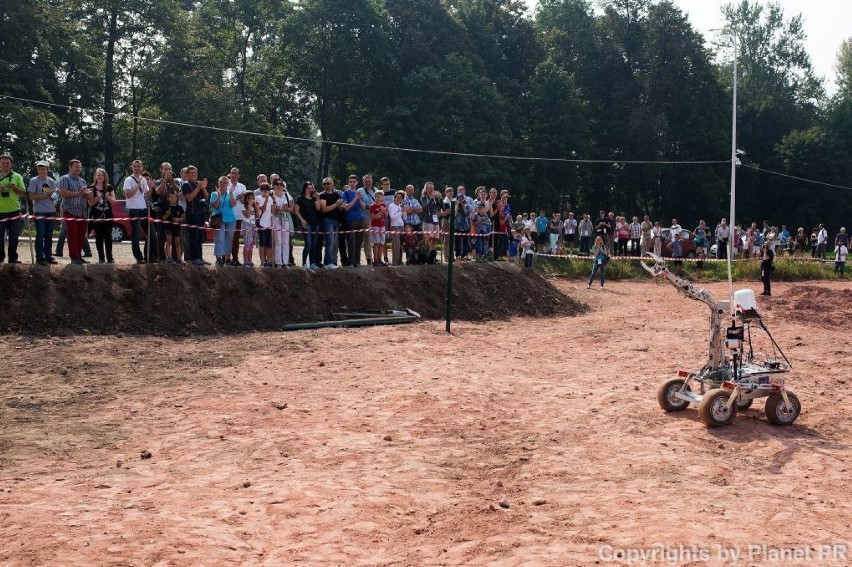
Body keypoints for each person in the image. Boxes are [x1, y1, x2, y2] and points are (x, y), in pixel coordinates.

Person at [58, 159, 92, 265]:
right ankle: (74, 257)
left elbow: (85, 197)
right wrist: (79, 193)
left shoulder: (82, 181)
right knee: (72, 235)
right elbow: (63, 193)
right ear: (70, 167)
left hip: (82, 212)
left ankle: (79, 256)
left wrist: (87, 194)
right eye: (76, 167)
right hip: (70, 211)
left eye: (79, 167)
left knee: (81, 236)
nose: (78, 169)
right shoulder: (64, 178)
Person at [27, 160, 58, 265]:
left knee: (49, 235)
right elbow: (31, 196)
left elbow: (55, 196)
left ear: (47, 170)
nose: (41, 171)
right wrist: (44, 196)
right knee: (40, 234)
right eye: (39, 169)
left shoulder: (52, 181)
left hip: (51, 211)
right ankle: (40, 257)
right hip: (39, 211)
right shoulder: (34, 181)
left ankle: (48, 256)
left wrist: (53, 196)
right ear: (37, 170)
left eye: (43, 169)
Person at [0, 154, 27, 264]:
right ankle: (0, 258)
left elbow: (24, 193)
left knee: (14, 237)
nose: (5, 165)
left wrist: (15, 188)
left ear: (11, 165)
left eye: (8, 163)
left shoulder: (17, 176)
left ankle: (13, 258)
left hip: (14, 211)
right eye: (3, 163)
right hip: (0, 212)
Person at [122, 159, 150, 263]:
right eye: (135, 166)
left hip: (143, 209)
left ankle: (151, 256)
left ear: (142, 168)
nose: (137, 168)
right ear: (132, 167)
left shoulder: (143, 179)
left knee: (151, 234)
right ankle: (139, 257)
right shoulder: (128, 179)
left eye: (139, 166)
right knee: (136, 235)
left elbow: (147, 194)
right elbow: (128, 195)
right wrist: (137, 186)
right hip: (134, 210)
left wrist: (151, 186)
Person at [181, 165, 210, 266]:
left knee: (200, 237)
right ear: (187, 174)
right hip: (192, 214)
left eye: (195, 173)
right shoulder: (185, 185)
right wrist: (198, 187)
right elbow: (189, 198)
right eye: (191, 173)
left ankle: (200, 257)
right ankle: (194, 258)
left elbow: (207, 197)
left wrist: (204, 188)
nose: (194, 175)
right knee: (194, 236)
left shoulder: (199, 184)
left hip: (201, 213)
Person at [154, 163, 181, 262]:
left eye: (169, 169)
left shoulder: (176, 180)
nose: (167, 171)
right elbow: (158, 191)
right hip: (162, 211)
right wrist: (165, 180)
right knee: (161, 234)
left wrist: (172, 181)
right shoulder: (158, 181)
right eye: (165, 169)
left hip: (174, 210)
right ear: (161, 170)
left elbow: (178, 190)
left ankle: (175, 257)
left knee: (175, 234)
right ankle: (161, 257)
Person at [87, 168, 115, 263]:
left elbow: (114, 202)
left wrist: (107, 196)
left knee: (108, 236)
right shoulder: (92, 188)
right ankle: (101, 257)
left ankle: (110, 257)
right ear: (95, 176)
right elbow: (90, 203)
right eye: (98, 175)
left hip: (108, 215)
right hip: (97, 216)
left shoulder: (109, 187)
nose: (100, 177)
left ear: (105, 177)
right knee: (99, 237)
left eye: (102, 175)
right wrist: (98, 196)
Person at [210, 175, 237, 267]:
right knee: (220, 238)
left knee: (229, 239)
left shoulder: (230, 193)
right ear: (218, 183)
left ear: (227, 184)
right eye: (221, 182)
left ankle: (227, 259)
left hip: (230, 218)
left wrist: (231, 194)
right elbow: (215, 206)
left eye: (225, 182)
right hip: (219, 219)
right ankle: (218, 259)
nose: (223, 184)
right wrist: (219, 195)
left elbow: (233, 204)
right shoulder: (214, 193)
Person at [295, 180, 322, 269]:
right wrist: (302, 220)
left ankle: (313, 263)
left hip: (316, 223)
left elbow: (318, 208)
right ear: (305, 188)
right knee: (308, 244)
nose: (309, 190)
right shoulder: (300, 198)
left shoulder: (314, 198)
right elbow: (296, 211)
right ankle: (304, 263)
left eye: (311, 188)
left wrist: (317, 198)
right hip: (307, 224)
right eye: (308, 188)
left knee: (314, 244)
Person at [319, 177, 343, 269]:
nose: (326, 185)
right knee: (330, 241)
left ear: (332, 184)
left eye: (328, 183)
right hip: (327, 220)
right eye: (324, 184)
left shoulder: (336, 194)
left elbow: (340, 207)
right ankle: (327, 262)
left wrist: (342, 206)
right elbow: (324, 209)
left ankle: (332, 261)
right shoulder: (322, 195)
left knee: (334, 242)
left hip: (335, 220)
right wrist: (336, 205)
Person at [341, 175, 364, 267]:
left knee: (359, 242)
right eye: (350, 182)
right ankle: (351, 262)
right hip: (351, 220)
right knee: (351, 242)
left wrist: (360, 199)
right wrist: (355, 198)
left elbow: (363, 207)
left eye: (354, 181)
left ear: (357, 182)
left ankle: (357, 261)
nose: (352, 183)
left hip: (360, 219)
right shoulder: (345, 193)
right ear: (348, 183)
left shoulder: (359, 193)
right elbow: (346, 207)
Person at [227, 167, 247, 266]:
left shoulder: (242, 186)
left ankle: (235, 258)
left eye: (236, 173)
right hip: (228, 215)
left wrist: (243, 198)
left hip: (238, 216)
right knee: (227, 238)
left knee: (236, 239)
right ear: (230, 174)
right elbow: (227, 199)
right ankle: (225, 258)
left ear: (239, 175)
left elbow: (244, 201)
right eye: (232, 173)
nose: (234, 175)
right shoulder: (226, 184)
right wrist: (237, 197)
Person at [272, 179, 293, 268]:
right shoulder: (271, 195)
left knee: (285, 241)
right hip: (276, 218)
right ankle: (278, 262)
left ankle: (285, 262)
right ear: (273, 185)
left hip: (285, 218)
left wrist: (287, 208)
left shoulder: (287, 195)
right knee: (278, 241)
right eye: (277, 184)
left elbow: (292, 208)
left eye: (281, 184)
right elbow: (270, 210)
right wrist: (275, 209)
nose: (279, 185)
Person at [161, 190, 185, 264]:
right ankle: (169, 258)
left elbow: (183, 217)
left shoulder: (180, 208)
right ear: (168, 198)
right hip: (168, 227)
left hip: (177, 228)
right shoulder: (166, 207)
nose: (173, 199)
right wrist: (167, 215)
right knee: (169, 242)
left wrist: (178, 219)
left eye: (174, 197)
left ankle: (179, 258)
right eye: (171, 197)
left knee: (178, 243)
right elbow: (163, 218)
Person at [255, 182, 274, 268]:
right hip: (262, 224)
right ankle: (262, 261)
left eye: (267, 190)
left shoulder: (271, 199)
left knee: (269, 244)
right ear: (261, 190)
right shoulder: (257, 198)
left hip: (269, 224)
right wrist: (266, 199)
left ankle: (269, 260)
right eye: (263, 190)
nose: (265, 192)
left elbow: (272, 211)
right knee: (262, 243)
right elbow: (262, 209)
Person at [240, 192, 259, 268]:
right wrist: (249, 206)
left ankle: (250, 260)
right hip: (246, 225)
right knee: (247, 244)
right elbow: (247, 215)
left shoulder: (254, 207)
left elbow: (257, 216)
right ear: (245, 199)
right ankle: (246, 261)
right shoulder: (243, 206)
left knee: (251, 244)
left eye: (252, 198)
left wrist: (256, 207)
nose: (251, 200)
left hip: (253, 226)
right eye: (249, 198)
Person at [388, 190, 406, 265]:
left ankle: (399, 261)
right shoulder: (391, 206)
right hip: (394, 226)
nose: (398, 199)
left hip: (401, 226)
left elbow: (404, 218)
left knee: (401, 244)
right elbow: (392, 217)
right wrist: (401, 212)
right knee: (396, 244)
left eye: (400, 198)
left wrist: (404, 212)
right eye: (397, 197)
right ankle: (395, 261)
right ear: (394, 198)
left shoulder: (400, 206)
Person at [370, 189, 387, 266]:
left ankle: (380, 259)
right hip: (375, 226)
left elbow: (386, 216)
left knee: (382, 243)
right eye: (377, 197)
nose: (378, 198)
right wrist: (380, 212)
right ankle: (375, 259)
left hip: (382, 225)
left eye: (380, 197)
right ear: (375, 197)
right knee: (376, 242)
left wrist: (384, 212)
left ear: (382, 197)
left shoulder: (383, 205)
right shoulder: (372, 206)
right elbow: (373, 217)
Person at [453, 192, 471, 261]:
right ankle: (458, 255)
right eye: (460, 199)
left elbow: (467, 215)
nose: (461, 200)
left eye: (462, 199)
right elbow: (454, 215)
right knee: (457, 242)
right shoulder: (455, 205)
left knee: (466, 241)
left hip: (465, 226)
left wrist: (463, 206)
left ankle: (465, 255)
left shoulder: (466, 205)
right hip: (458, 226)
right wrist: (457, 205)